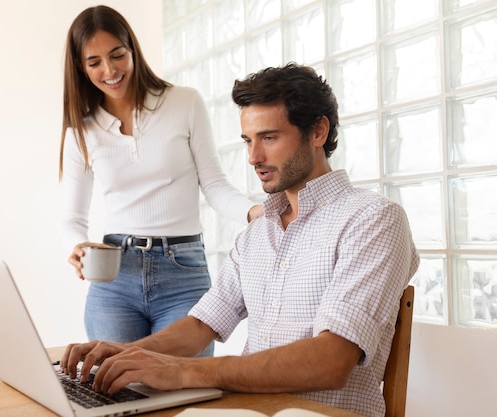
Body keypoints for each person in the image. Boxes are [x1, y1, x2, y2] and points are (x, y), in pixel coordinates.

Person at [59, 63, 420, 417]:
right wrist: (124, 356)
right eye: (248, 140)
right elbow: (202, 324)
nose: (253, 157)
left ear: (318, 132)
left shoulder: (372, 220)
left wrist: (183, 372)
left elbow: (332, 360)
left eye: (269, 137)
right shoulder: (256, 234)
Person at [58, 5, 262, 353]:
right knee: (116, 392)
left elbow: (214, 186)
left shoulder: (183, 103)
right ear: (81, 66)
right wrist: (76, 246)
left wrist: (254, 212)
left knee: (183, 391)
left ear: (132, 49)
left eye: (117, 55)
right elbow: (72, 219)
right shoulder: (82, 129)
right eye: (94, 62)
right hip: (113, 278)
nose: (109, 71)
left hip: (182, 273)